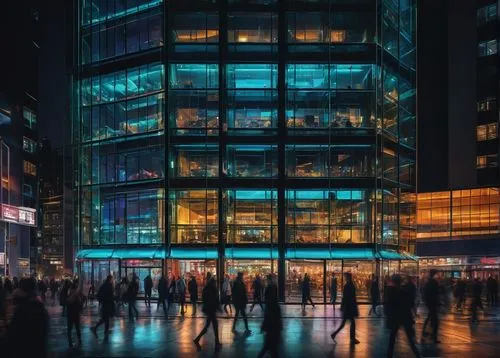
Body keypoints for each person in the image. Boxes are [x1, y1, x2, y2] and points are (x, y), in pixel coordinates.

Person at [2, 277, 49, 357]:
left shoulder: (24, 310)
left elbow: (11, 337)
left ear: (22, 291)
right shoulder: (39, 307)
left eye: (19, 289)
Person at [385, 275, 421, 358]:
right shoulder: (404, 291)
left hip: (395, 318)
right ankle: (417, 355)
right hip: (405, 317)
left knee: (392, 339)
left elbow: (389, 306)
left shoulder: (391, 291)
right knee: (409, 339)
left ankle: (389, 355)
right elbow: (409, 304)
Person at [193, 275, 222, 352]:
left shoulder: (206, 288)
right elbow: (215, 299)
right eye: (215, 282)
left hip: (209, 309)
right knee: (214, 326)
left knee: (208, 326)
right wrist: (218, 307)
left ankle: (198, 339)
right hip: (211, 309)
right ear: (213, 283)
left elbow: (204, 298)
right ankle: (216, 342)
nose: (216, 284)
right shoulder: (212, 289)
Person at [330, 272, 360, 345]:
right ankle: (352, 338)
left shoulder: (348, 285)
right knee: (351, 323)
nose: (346, 278)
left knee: (345, 324)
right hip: (349, 307)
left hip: (348, 307)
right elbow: (347, 297)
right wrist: (343, 306)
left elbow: (346, 297)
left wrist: (342, 306)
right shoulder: (348, 285)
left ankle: (334, 334)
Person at [258, 274, 282, 358]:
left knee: (269, 348)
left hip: (271, 325)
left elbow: (268, 310)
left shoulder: (271, 289)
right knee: (271, 348)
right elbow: (270, 310)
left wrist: (264, 325)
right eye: (275, 279)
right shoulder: (272, 290)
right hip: (273, 325)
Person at [91, 275, 115, 341]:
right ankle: (98, 329)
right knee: (105, 318)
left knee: (105, 318)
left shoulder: (104, 284)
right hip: (107, 303)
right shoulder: (109, 285)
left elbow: (100, 293)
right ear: (110, 279)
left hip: (104, 303)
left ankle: (100, 329)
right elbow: (110, 294)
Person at [421, 270, 440, 344]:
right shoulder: (433, 282)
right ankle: (433, 336)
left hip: (430, 303)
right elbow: (435, 293)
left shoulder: (428, 282)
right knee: (435, 321)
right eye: (437, 274)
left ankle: (427, 333)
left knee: (430, 318)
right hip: (432, 303)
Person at [67, 280, 84, 348]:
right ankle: (79, 340)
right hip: (76, 312)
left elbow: (67, 301)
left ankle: (70, 341)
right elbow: (80, 302)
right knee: (77, 327)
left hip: (70, 312)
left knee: (70, 328)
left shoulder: (69, 292)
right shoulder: (76, 294)